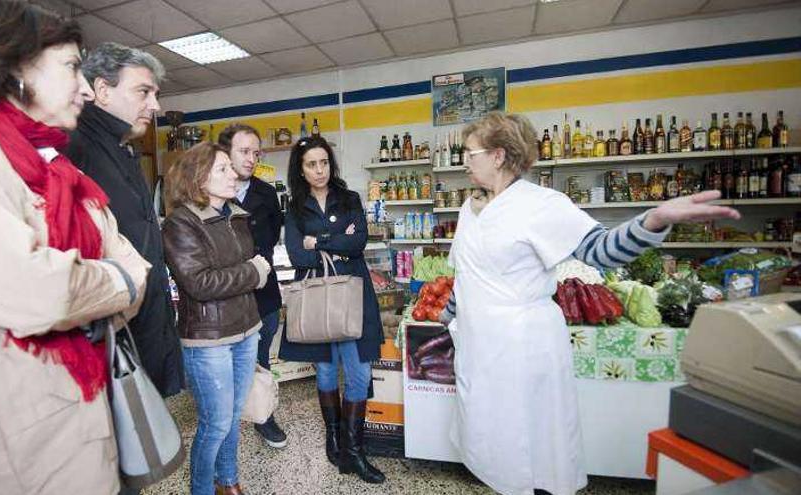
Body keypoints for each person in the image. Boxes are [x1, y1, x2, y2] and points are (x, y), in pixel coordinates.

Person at [439, 112, 740, 495]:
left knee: (528, 443)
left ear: (498, 155)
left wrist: (654, 219)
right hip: (480, 345)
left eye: (470, 152)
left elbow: (599, 250)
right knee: (489, 440)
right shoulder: (471, 207)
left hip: (522, 347)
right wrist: (445, 316)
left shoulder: (542, 204)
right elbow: (467, 274)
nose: (464, 160)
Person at [0, 1, 152, 493]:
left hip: (83, 432)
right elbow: (36, 291)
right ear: (11, 66)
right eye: (72, 67)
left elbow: (137, 267)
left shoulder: (62, 169)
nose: (87, 89)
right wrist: (111, 283)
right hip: (1, 461)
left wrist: (94, 289)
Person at [64, 42, 184, 398]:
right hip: (111, 341)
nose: (155, 105)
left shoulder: (118, 149)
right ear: (101, 90)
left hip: (143, 332)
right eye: (143, 92)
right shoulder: (75, 146)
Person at [162, 142, 271, 495]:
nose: (234, 174)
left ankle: (228, 482)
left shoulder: (235, 215)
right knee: (216, 422)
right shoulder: (181, 223)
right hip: (208, 339)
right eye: (222, 169)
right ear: (198, 176)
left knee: (234, 416)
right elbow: (199, 283)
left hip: (246, 329)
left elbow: (231, 267)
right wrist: (253, 272)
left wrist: (247, 271)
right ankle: (201, 489)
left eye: (231, 167)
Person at [279, 136, 386, 484]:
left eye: (324, 162)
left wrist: (320, 241)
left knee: (358, 373)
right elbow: (297, 255)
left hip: (353, 295)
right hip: (317, 300)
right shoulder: (294, 209)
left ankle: (353, 453)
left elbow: (358, 243)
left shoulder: (350, 198)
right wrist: (336, 242)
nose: (319, 170)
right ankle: (335, 439)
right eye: (311, 164)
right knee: (325, 372)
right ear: (301, 169)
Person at [217, 123, 287, 448]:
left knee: (260, 358)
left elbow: (271, 238)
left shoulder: (267, 193)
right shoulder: (212, 197)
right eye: (244, 151)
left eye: (256, 153)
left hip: (264, 294)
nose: (251, 158)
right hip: (226, 297)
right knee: (226, 365)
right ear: (225, 154)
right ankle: (224, 427)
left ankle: (263, 417)